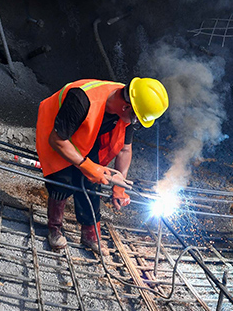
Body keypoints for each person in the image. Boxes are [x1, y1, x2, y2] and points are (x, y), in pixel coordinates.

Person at [36, 78, 169, 252]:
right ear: (126, 107)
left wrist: (119, 184)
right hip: (58, 132)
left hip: (86, 135)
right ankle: (55, 228)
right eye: (135, 119)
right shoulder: (82, 99)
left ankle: (89, 233)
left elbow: (125, 150)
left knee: (91, 182)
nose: (134, 123)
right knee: (63, 180)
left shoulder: (131, 104)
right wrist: (86, 165)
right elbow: (57, 140)